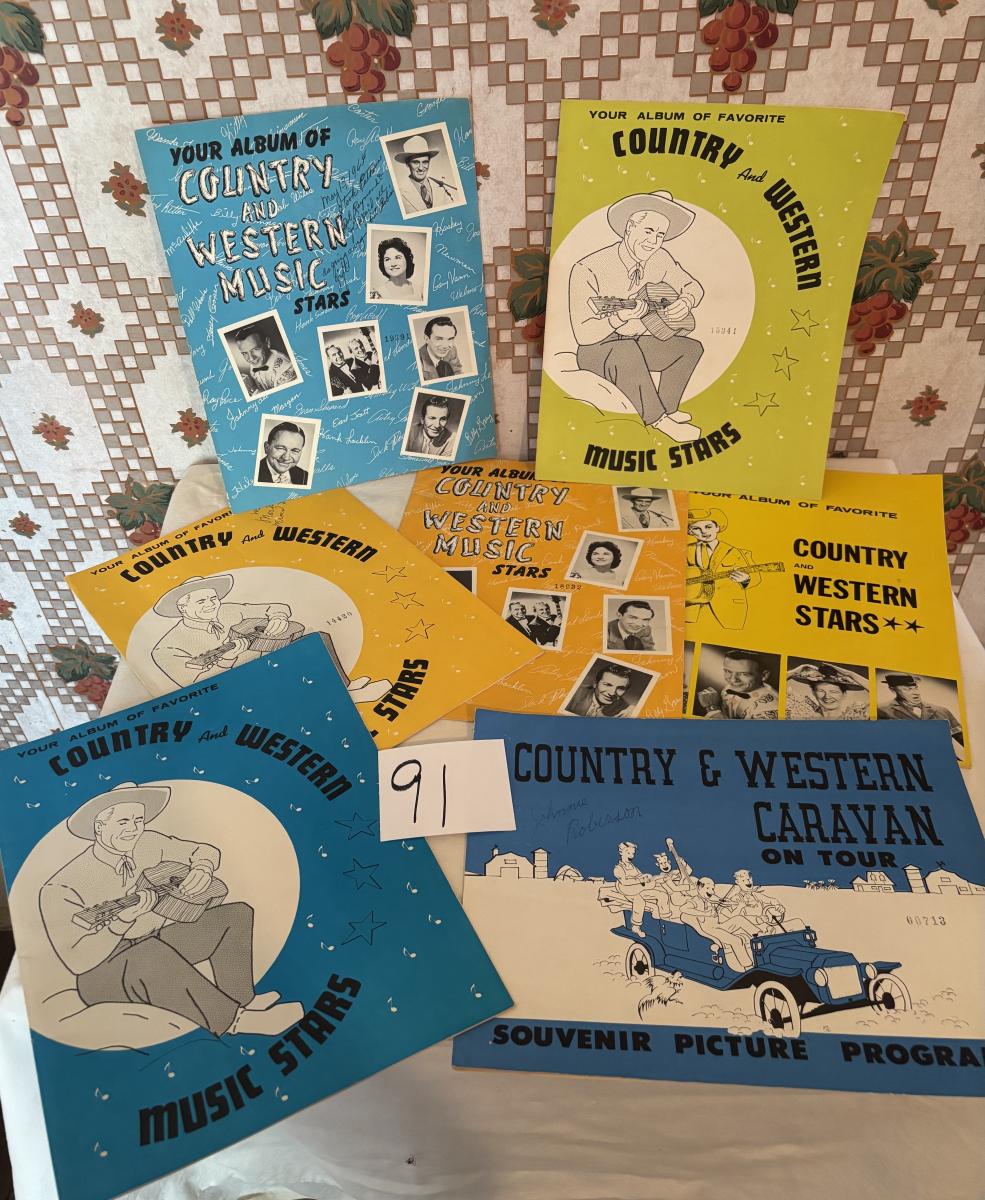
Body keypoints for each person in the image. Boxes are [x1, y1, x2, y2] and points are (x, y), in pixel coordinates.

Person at [39, 782, 303, 1038]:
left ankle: (243, 998)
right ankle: (238, 1021)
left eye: (138, 820)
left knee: (236, 914)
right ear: (99, 826)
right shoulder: (61, 886)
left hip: (150, 940)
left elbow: (203, 850)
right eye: (123, 822)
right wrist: (120, 924)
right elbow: (78, 962)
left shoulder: (148, 842)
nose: (133, 829)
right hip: (100, 975)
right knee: (150, 952)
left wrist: (203, 868)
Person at [569, 191, 704, 444]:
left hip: (635, 341)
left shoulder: (660, 259)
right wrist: (618, 318)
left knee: (690, 348)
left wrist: (685, 302)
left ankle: (668, 408)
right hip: (596, 349)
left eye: (660, 235)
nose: (654, 241)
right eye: (648, 231)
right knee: (627, 351)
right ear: (630, 227)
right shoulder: (588, 267)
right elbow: (583, 335)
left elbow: (693, 286)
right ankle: (659, 421)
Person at [150, 574, 293, 685]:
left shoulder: (228, 610)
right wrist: (226, 661)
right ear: (182, 608)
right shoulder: (166, 649)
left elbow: (276, 606)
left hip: (279, 671)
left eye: (213, 598)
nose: (211, 604)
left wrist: (279, 616)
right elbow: (200, 687)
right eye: (201, 601)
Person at [685, 508, 759, 632]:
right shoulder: (685, 551)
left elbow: (756, 577)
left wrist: (746, 579)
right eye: (696, 528)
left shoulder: (736, 552)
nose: (704, 532)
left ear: (717, 527)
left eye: (708, 527)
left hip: (727, 608)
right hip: (692, 608)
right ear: (690, 531)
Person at [877, 673, 964, 745]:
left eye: (916, 688)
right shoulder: (881, 710)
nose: (916, 693)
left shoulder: (942, 711)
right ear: (892, 690)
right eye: (907, 689)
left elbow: (962, 740)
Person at [697, 649, 778, 720]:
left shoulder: (769, 710)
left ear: (764, 675)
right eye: (728, 671)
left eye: (744, 674)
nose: (733, 680)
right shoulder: (737, 687)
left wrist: (712, 708)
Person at [391, 133, 461, 214]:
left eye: (425, 162)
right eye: (416, 162)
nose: (421, 168)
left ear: (429, 162)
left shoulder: (441, 186)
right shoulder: (399, 194)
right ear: (407, 164)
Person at [786, 661, 869, 721]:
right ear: (813, 692)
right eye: (821, 691)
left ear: (844, 694)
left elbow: (873, 688)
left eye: (834, 692)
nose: (827, 696)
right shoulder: (802, 713)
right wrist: (797, 670)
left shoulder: (855, 716)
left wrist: (850, 674)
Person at [231, 324, 297, 396]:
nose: (251, 358)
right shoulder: (259, 360)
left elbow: (282, 399)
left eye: (255, 349)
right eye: (245, 353)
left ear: (267, 343)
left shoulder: (286, 370)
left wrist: (252, 389)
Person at [718, 869, 786, 937]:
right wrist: (758, 919)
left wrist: (778, 906)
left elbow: (771, 900)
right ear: (738, 882)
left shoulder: (756, 895)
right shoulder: (736, 898)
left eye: (748, 879)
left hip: (763, 926)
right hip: (747, 930)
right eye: (743, 880)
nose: (748, 882)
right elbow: (739, 918)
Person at [565, 661, 634, 717]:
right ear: (595, 683)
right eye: (607, 685)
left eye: (620, 688)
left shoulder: (626, 711)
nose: (612, 693)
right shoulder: (572, 693)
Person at [369, 236, 424, 303]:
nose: (393, 264)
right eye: (387, 259)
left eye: (397, 258)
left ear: (407, 259)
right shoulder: (376, 295)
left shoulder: (420, 291)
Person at [613, 841, 651, 938]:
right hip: (625, 889)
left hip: (635, 887)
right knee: (639, 900)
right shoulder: (618, 868)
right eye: (628, 853)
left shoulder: (632, 866)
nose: (631, 856)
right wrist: (639, 880)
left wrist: (645, 877)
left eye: (632, 853)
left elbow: (639, 875)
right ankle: (636, 926)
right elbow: (624, 882)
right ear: (621, 852)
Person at [256, 421, 310, 486]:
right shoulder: (253, 472)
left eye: (294, 450)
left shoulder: (305, 477)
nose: (286, 458)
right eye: (281, 448)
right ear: (267, 448)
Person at [418, 314, 465, 381]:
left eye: (450, 339)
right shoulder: (417, 362)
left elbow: (458, 372)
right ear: (427, 339)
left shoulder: (452, 350)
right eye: (439, 339)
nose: (445, 346)